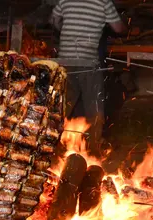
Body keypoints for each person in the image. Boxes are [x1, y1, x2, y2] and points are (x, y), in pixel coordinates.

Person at [50, 0, 125, 154]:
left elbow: (53, 19)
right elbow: (118, 28)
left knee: (61, 105)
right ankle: (93, 149)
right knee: (94, 106)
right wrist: (126, 27)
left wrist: (66, 30)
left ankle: (50, 142)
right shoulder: (103, 1)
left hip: (64, 61)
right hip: (88, 62)